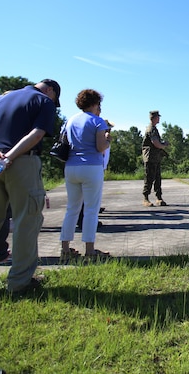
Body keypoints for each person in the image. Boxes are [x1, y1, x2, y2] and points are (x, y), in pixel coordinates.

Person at [0, 78, 61, 292]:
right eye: (54, 98)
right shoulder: (44, 101)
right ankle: (20, 283)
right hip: (22, 162)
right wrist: (9, 157)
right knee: (26, 220)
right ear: (50, 90)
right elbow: (37, 133)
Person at [59, 89, 111, 260]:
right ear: (95, 103)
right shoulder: (98, 122)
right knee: (91, 209)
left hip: (71, 167)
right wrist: (108, 138)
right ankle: (89, 250)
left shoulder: (70, 120)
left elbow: (64, 141)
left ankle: (65, 249)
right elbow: (100, 147)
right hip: (91, 167)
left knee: (72, 208)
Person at [142, 110, 169, 207]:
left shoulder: (154, 128)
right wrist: (163, 145)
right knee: (149, 178)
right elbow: (156, 143)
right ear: (154, 118)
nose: (159, 119)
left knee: (157, 178)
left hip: (155, 157)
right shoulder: (151, 129)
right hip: (150, 158)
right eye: (158, 117)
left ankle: (159, 198)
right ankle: (145, 198)